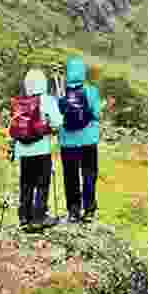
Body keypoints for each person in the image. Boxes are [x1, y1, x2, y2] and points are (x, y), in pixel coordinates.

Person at [10, 69, 63, 229]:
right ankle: (39, 217)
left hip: (23, 150)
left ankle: (24, 217)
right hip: (41, 149)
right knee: (42, 182)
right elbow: (57, 123)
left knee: (26, 183)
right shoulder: (47, 100)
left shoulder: (20, 102)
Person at [58, 56, 102, 223]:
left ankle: (73, 211)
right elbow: (97, 114)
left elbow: (56, 115)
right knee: (89, 174)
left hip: (67, 142)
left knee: (70, 176)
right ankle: (89, 210)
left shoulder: (60, 93)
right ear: (83, 72)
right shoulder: (92, 91)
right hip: (88, 140)